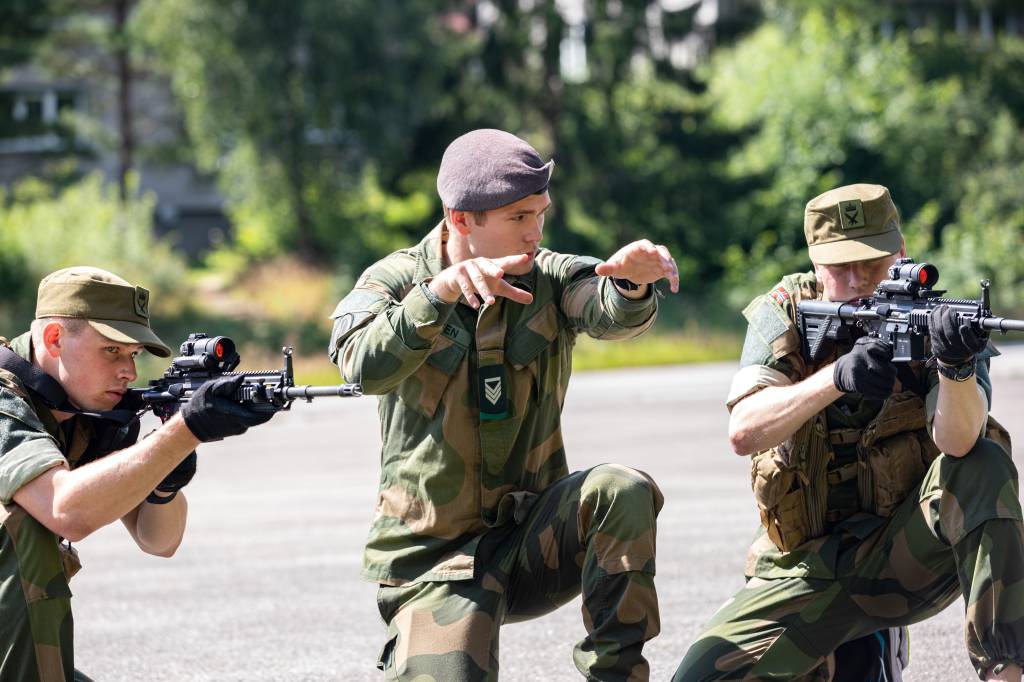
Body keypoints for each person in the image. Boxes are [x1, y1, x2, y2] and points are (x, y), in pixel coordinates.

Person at [329, 128, 678, 680]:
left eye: (541, 212)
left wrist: (632, 287)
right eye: (519, 216)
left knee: (621, 489)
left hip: (532, 543)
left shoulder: (549, 275)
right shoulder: (396, 280)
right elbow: (360, 364)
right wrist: (437, 295)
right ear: (461, 218)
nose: (536, 230)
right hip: (434, 561)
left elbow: (602, 304)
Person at [673, 184, 1024, 681]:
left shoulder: (938, 322)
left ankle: (1006, 670)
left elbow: (960, 444)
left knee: (985, 463)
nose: (858, 280)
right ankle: (858, 648)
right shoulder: (786, 311)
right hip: (803, 567)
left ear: (900, 253)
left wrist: (955, 367)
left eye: (874, 264)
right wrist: (834, 380)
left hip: (903, 560)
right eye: (840, 266)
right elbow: (744, 431)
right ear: (815, 262)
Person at [0, 266, 273, 681]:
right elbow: (63, 508)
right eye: (111, 350)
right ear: (55, 339)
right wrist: (183, 432)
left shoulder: (87, 412)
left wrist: (165, 477)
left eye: (133, 356)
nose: (128, 371)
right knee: (24, 524)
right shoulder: (6, 399)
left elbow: (159, 539)